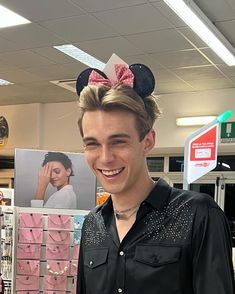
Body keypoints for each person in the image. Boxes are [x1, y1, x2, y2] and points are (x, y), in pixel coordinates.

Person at [75, 61, 235, 294]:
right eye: (92, 144)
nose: (105, 157)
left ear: (147, 141)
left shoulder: (197, 215)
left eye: (119, 142)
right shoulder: (92, 224)